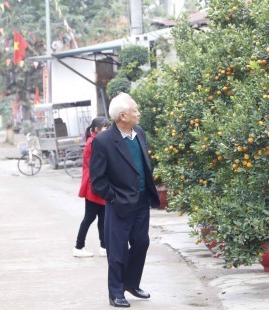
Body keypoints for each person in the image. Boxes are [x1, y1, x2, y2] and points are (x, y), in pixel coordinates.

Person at [90, 93, 160, 308]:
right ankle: (116, 293)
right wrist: (113, 197)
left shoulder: (139, 132)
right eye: (134, 111)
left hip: (141, 200)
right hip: (119, 203)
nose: (138, 114)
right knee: (117, 249)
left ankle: (131, 283)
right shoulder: (103, 141)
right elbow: (97, 180)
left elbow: (142, 164)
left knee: (142, 242)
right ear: (122, 116)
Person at [73, 117, 111, 258]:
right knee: (89, 217)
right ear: (97, 129)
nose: (108, 130)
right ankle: (78, 246)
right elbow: (98, 164)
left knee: (102, 216)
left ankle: (104, 246)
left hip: (96, 184)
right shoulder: (94, 142)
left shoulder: (95, 140)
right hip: (93, 185)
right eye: (106, 128)